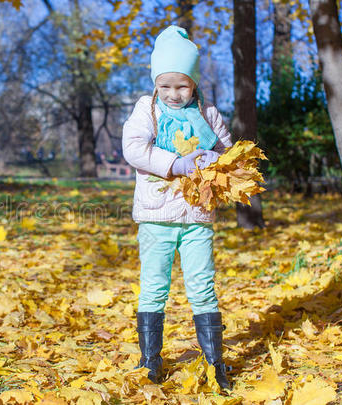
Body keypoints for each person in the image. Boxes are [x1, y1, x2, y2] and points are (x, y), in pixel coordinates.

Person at [121, 25, 233, 389]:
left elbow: (225, 151)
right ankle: (150, 362)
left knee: (202, 286)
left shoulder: (209, 113)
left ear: (194, 83)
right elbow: (134, 148)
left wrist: (213, 161)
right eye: (165, 85)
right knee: (154, 285)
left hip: (198, 217)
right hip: (156, 217)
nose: (173, 94)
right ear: (155, 83)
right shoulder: (147, 110)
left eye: (181, 85)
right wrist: (176, 163)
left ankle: (215, 363)